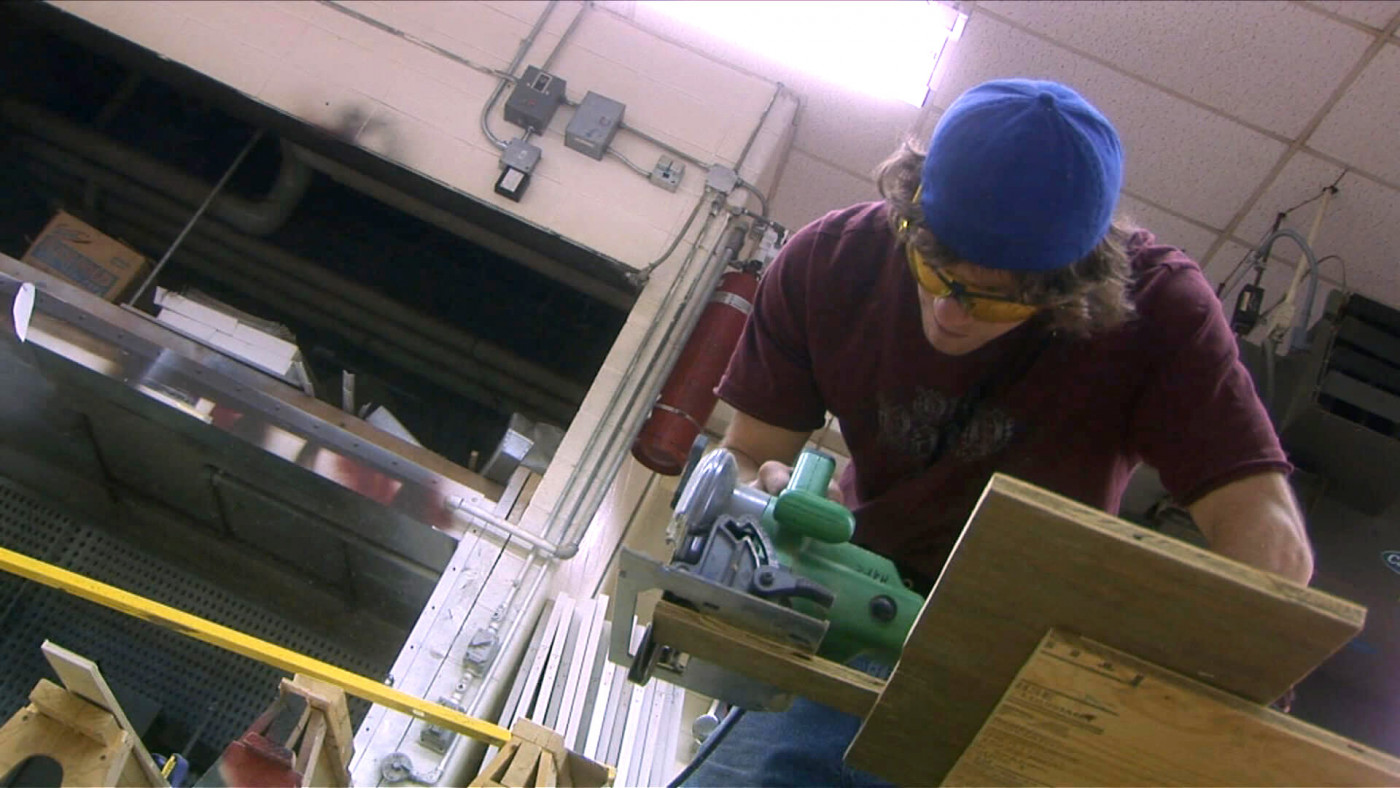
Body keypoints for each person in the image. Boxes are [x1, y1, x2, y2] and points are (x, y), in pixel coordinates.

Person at [685, 78, 1314, 787]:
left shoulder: (1160, 310)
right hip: (854, 601)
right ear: (909, 210)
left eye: (996, 299)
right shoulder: (830, 261)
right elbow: (746, 455)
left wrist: (1208, 683)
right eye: (936, 268)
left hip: (1027, 646)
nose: (952, 314)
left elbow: (1267, 534)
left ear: (1075, 289)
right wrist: (755, 498)